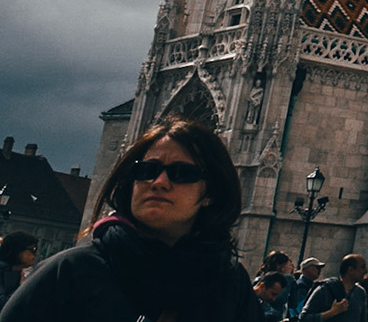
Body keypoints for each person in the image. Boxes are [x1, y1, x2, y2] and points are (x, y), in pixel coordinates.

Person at [0, 116, 256, 322]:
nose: (159, 182)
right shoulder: (71, 272)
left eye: (181, 173)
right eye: (147, 170)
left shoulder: (229, 284)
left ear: (210, 192)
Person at [302, 254, 368, 322]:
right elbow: (304, 318)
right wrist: (332, 312)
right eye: (362, 267)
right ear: (350, 270)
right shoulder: (325, 289)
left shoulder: (360, 293)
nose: (366, 271)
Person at [0, 233, 36, 311]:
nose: (36, 254)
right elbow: (5, 305)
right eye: (32, 250)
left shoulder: (18, 273)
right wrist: (22, 289)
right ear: (17, 251)